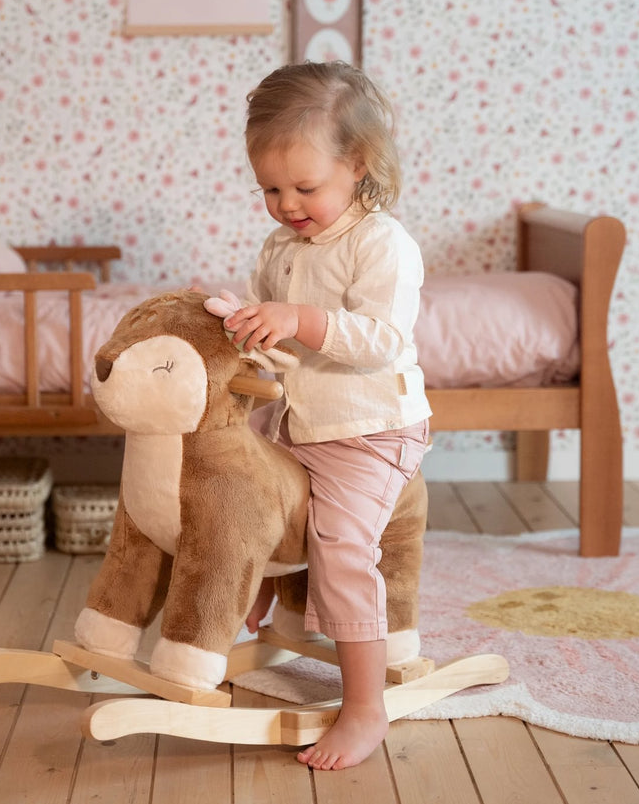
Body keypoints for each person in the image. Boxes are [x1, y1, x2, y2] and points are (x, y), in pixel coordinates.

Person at [217, 61, 432, 771]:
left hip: (369, 430)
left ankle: (364, 705)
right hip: (296, 422)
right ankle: (245, 609)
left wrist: (301, 318)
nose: (286, 204)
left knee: (340, 546)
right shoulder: (280, 247)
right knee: (237, 495)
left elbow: (382, 341)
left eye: (305, 187)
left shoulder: (382, 245)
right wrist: (238, 323)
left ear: (357, 163)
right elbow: (271, 333)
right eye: (270, 189)